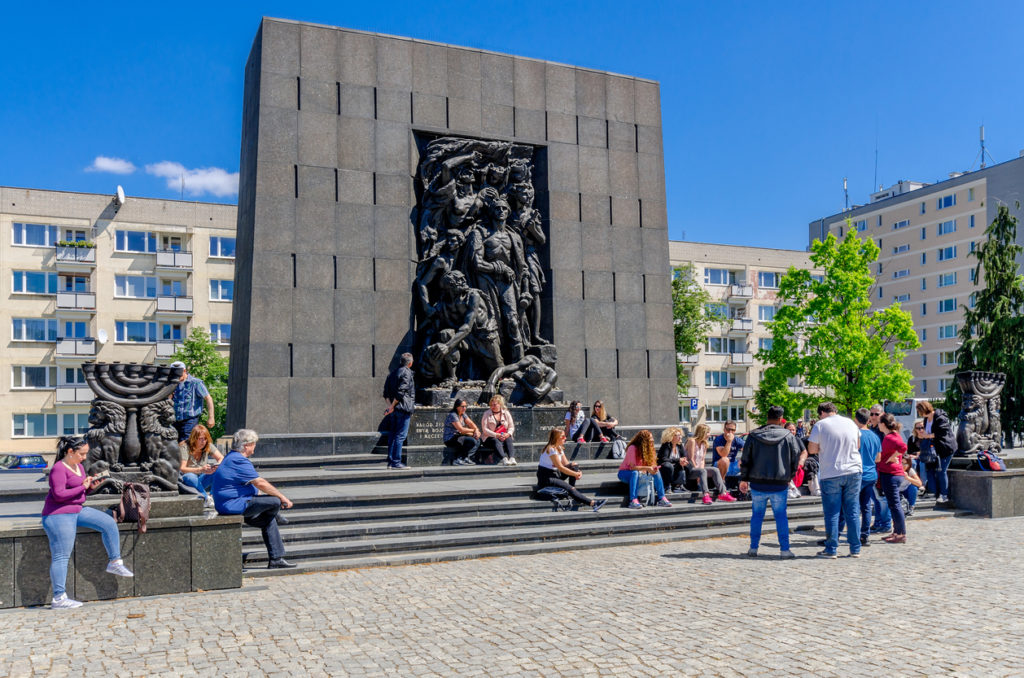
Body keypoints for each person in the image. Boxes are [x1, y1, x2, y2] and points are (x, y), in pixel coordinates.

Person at [42, 436, 134, 609]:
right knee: (61, 556)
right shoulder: (58, 469)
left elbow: (79, 494)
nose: (84, 457)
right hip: (58, 515)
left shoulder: (78, 467)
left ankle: (115, 562)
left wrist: (91, 487)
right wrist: (82, 487)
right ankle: (59, 598)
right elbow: (59, 495)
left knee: (108, 522)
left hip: (77, 510)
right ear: (70, 452)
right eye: (82, 454)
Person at [212, 429, 296, 569]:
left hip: (236, 502)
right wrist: (283, 498)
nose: (255, 447)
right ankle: (276, 514)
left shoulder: (232, 457)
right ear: (247, 445)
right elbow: (260, 483)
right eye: (254, 444)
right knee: (275, 501)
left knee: (268, 521)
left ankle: (276, 558)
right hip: (233, 505)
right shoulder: (238, 460)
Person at [739, 406, 802, 558]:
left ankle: (753, 548)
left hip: (757, 482)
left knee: (757, 516)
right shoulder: (788, 436)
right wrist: (789, 477)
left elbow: (745, 459)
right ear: (781, 419)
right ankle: (784, 550)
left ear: (767, 417)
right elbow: (796, 459)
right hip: (779, 483)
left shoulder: (754, 435)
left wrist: (744, 479)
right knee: (781, 516)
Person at [806, 402, 862, 558]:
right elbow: (857, 445)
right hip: (853, 470)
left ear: (822, 412)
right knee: (852, 511)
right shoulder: (850, 422)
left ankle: (831, 549)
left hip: (831, 472)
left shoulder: (820, 425)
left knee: (832, 513)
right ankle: (855, 549)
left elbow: (812, 450)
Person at [536, 428, 607, 511]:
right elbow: (561, 468)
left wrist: (577, 471)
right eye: (563, 437)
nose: (565, 438)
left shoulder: (559, 448)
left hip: (554, 474)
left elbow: (566, 464)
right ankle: (593, 503)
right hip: (546, 478)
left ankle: (572, 491)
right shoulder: (551, 449)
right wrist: (575, 474)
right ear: (556, 437)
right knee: (571, 484)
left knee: (574, 465)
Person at [915, 400, 956, 505]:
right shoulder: (926, 419)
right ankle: (936, 493)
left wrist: (927, 436)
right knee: (934, 471)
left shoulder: (940, 417)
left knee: (942, 471)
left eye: (920, 411)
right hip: (936, 449)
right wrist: (923, 434)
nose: (919, 414)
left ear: (924, 410)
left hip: (946, 448)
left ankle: (944, 495)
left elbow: (942, 433)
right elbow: (929, 433)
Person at [618, 429, 672, 509]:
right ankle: (633, 500)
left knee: (657, 472)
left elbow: (652, 464)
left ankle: (662, 498)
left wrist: (654, 469)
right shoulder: (633, 448)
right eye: (650, 438)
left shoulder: (650, 449)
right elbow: (632, 467)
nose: (652, 440)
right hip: (625, 473)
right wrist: (647, 468)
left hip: (641, 472)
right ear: (643, 441)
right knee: (634, 473)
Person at [876, 413, 909, 544]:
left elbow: (903, 447)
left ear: (883, 424)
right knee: (893, 504)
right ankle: (897, 531)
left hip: (891, 474)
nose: (878, 424)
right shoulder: (892, 436)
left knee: (895, 505)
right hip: (893, 474)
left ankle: (901, 534)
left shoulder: (890, 437)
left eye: (879, 422)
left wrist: (892, 456)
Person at [685, 424, 736, 505]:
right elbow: (690, 459)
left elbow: (702, 460)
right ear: (702, 432)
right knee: (702, 471)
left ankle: (723, 493)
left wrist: (701, 469)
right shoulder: (692, 441)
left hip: (699, 469)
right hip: (690, 469)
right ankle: (705, 495)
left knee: (714, 470)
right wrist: (698, 470)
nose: (709, 434)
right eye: (708, 432)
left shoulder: (704, 444)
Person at [382, 352, 415, 470]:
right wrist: (393, 406)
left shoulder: (391, 374)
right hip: (403, 408)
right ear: (410, 363)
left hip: (394, 409)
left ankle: (391, 462)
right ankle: (396, 462)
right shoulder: (407, 372)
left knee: (393, 435)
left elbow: (385, 394)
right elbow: (402, 391)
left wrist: (390, 406)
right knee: (400, 436)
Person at [179, 423, 224, 508]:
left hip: (202, 478)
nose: (203, 441)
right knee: (190, 476)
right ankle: (206, 497)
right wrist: (201, 469)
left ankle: (212, 496)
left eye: (205, 439)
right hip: (188, 481)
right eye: (200, 439)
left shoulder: (208, 445)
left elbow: (221, 458)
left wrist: (216, 466)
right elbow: (182, 468)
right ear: (194, 439)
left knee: (220, 471)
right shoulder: (185, 447)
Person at [853, 408, 880, 548]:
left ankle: (855, 535)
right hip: (871, 474)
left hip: (858, 474)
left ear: (856, 419)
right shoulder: (875, 436)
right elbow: (878, 458)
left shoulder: (855, 435)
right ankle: (865, 535)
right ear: (868, 419)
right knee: (866, 506)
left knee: (854, 507)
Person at [170, 360, 215, 443]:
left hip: (190, 420)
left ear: (184, 371)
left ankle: (185, 455)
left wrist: (211, 417)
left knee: (186, 442)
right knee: (172, 443)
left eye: (178, 373)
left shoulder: (195, 382)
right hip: (175, 420)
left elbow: (208, 398)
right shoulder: (173, 383)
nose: (176, 376)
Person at [481, 394, 517, 465]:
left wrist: (508, 434)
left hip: (503, 435)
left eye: (494, 405)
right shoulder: (487, 413)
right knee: (495, 441)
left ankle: (512, 458)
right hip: (489, 437)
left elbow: (511, 426)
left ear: (500, 404)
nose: (492, 407)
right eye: (491, 405)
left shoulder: (506, 413)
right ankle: (504, 459)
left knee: (509, 439)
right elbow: (485, 429)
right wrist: (496, 435)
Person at [442, 399, 481, 466]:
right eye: (462, 406)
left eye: (465, 406)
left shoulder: (463, 414)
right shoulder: (453, 415)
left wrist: (477, 430)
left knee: (477, 439)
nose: (464, 408)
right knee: (471, 440)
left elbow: (471, 423)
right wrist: (474, 430)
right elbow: (461, 429)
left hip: (459, 436)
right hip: (450, 438)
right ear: (457, 407)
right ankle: (458, 459)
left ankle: (465, 457)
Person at [657, 427, 688, 493]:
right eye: (678, 435)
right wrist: (678, 460)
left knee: (687, 465)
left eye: (680, 435)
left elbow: (683, 457)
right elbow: (664, 459)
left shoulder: (679, 445)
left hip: (675, 466)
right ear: (671, 436)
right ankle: (667, 486)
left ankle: (678, 486)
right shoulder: (666, 445)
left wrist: (684, 461)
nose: (680, 437)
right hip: (664, 468)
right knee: (668, 466)